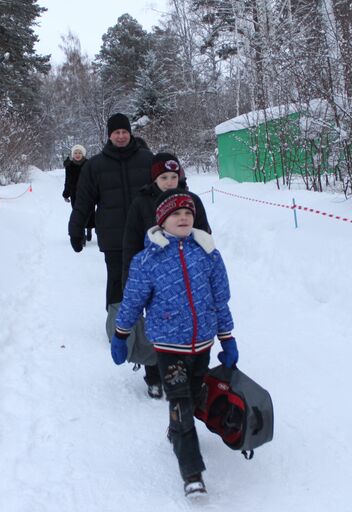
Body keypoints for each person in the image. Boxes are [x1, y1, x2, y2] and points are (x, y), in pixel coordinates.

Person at [109, 188, 239, 497]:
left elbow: (221, 300)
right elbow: (132, 302)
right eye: (175, 214)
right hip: (168, 346)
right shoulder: (147, 260)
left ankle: (176, 429)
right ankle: (192, 473)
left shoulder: (208, 253)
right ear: (162, 221)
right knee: (180, 402)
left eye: (188, 213)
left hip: (203, 342)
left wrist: (227, 338)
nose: (183, 218)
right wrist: (121, 334)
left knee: (193, 397)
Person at [121, 153, 212, 399]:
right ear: (155, 178)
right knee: (159, 328)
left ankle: (186, 378)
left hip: (190, 274)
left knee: (190, 324)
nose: (170, 181)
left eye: (174, 176)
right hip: (155, 279)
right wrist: (129, 280)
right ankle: (153, 375)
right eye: (164, 177)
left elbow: (204, 233)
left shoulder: (191, 200)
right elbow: (131, 243)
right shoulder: (141, 203)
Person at [68, 113, 153, 311]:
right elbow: (83, 202)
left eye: (125, 132)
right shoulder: (95, 166)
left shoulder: (148, 159)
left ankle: (150, 326)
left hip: (145, 234)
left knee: (148, 279)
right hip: (113, 235)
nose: (121, 136)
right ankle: (117, 327)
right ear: (109, 135)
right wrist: (76, 230)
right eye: (117, 132)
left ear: (130, 133)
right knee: (116, 280)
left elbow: (167, 190)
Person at [62, 144, 94, 241]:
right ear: (72, 154)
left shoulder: (89, 164)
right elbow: (68, 181)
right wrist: (66, 194)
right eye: (75, 153)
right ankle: (82, 234)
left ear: (83, 154)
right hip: (75, 194)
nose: (77, 154)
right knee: (78, 214)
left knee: (90, 213)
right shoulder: (69, 166)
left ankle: (89, 229)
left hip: (88, 193)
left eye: (80, 152)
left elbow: (94, 179)